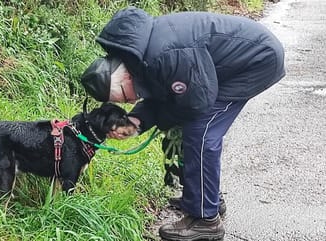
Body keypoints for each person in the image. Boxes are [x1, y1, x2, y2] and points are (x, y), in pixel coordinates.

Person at [80, 6, 285, 241]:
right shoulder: (142, 57)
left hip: (257, 60)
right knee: (191, 128)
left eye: (126, 97)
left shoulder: (166, 55)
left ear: (124, 76)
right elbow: (162, 93)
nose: (131, 99)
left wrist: (153, 118)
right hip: (236, 59)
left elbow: (195, 103)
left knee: (201, 134)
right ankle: (205, 199)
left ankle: (205, 220)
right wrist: (136, 121)